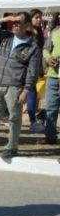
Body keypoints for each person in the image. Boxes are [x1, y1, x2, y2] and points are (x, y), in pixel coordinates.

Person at [0, 13, 42, 159]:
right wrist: (3, 20)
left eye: (19, 22)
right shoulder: (6, 37)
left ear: (28, 26)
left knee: (14, 118)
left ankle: (11, 147)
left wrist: (26, 91)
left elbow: (33, 72)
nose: (15, 24)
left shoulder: (33, 47)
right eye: (14, 22)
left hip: (15, 87)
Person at [27, 9, 45, 133]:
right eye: (36, 17)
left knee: (31, 93)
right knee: (30, 93)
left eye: (40, 17)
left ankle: (33, 121)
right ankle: (33, 121)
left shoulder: (39, 32)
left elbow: (39, 53)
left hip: (34, 69)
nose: (39, 20)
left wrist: (41, 68)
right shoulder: (26, 33)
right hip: (24, 69)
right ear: (31, 19)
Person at [44, 12, 60, 146]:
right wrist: (49, 58)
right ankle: (50, 136)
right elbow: (45, 49)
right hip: (53, 76)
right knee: (50, 107)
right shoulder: (54, 32)